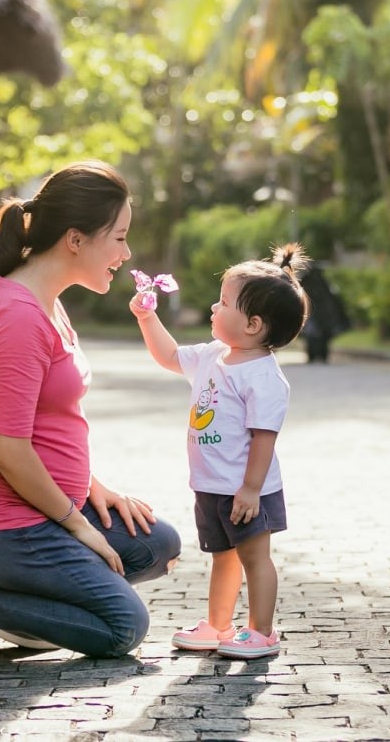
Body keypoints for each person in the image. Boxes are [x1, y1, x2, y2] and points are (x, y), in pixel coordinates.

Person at [0, 160, 182, 669]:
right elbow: (8, 448)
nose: (126, 254)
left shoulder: (47, 301)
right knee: (124, 626)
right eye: (119, 238)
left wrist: (95, 488)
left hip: (35, 511)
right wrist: (79, 526)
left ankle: (37, 609)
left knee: (158, 544)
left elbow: (47, 423)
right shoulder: (17, 315)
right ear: (75, 240)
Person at [129, 243, 309, 660]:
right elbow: (170, 356)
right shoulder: (213, 355)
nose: (214, 306)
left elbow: (264, 439)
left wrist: (250, 489)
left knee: (254, 558)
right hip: (211, 484)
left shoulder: (263, 378)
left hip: (246, 490)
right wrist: (147, 317)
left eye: (224, 302)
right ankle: (218, 624)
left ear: (253, 324)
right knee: (222, 557)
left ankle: (261, 631)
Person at [298, 264, 349, 363]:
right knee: (316, 337)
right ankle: (317, 355)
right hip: (314, 317)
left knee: (317, 337)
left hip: (315, 317)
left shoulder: (315, 284)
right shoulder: (320, 284)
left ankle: (317, 355)